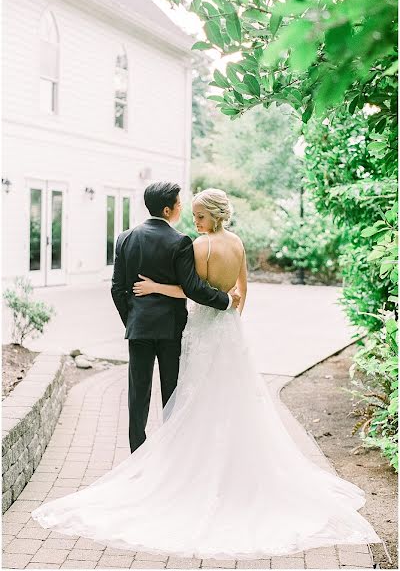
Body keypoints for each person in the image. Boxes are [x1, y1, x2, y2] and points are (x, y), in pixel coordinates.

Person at [31, 188, 384, 560]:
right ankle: (201, 463)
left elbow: (168, 288)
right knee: (198, 396)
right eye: (189, 212)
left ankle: (153, 463)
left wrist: (139, 307)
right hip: (218, 330)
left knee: (168, 396)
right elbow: (234, 290)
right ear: (171, 208)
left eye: (199, 215)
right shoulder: (217, 243)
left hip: (173, 328)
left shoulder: (171, 242)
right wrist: (230, 313)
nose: (193, 219)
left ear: (212, 215)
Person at [109, 181, 240, 453]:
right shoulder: (179, 241)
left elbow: (117, 289)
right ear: (168, 209)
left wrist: (132, 318)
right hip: (171, 330)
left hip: (139, 328)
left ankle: (138, 454)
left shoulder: (125, 238)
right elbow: (193, 288)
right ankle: (170, 453)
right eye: (180, 205)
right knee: (172, 393)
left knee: (138, 394)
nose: (183, 209)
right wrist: (226, 300)